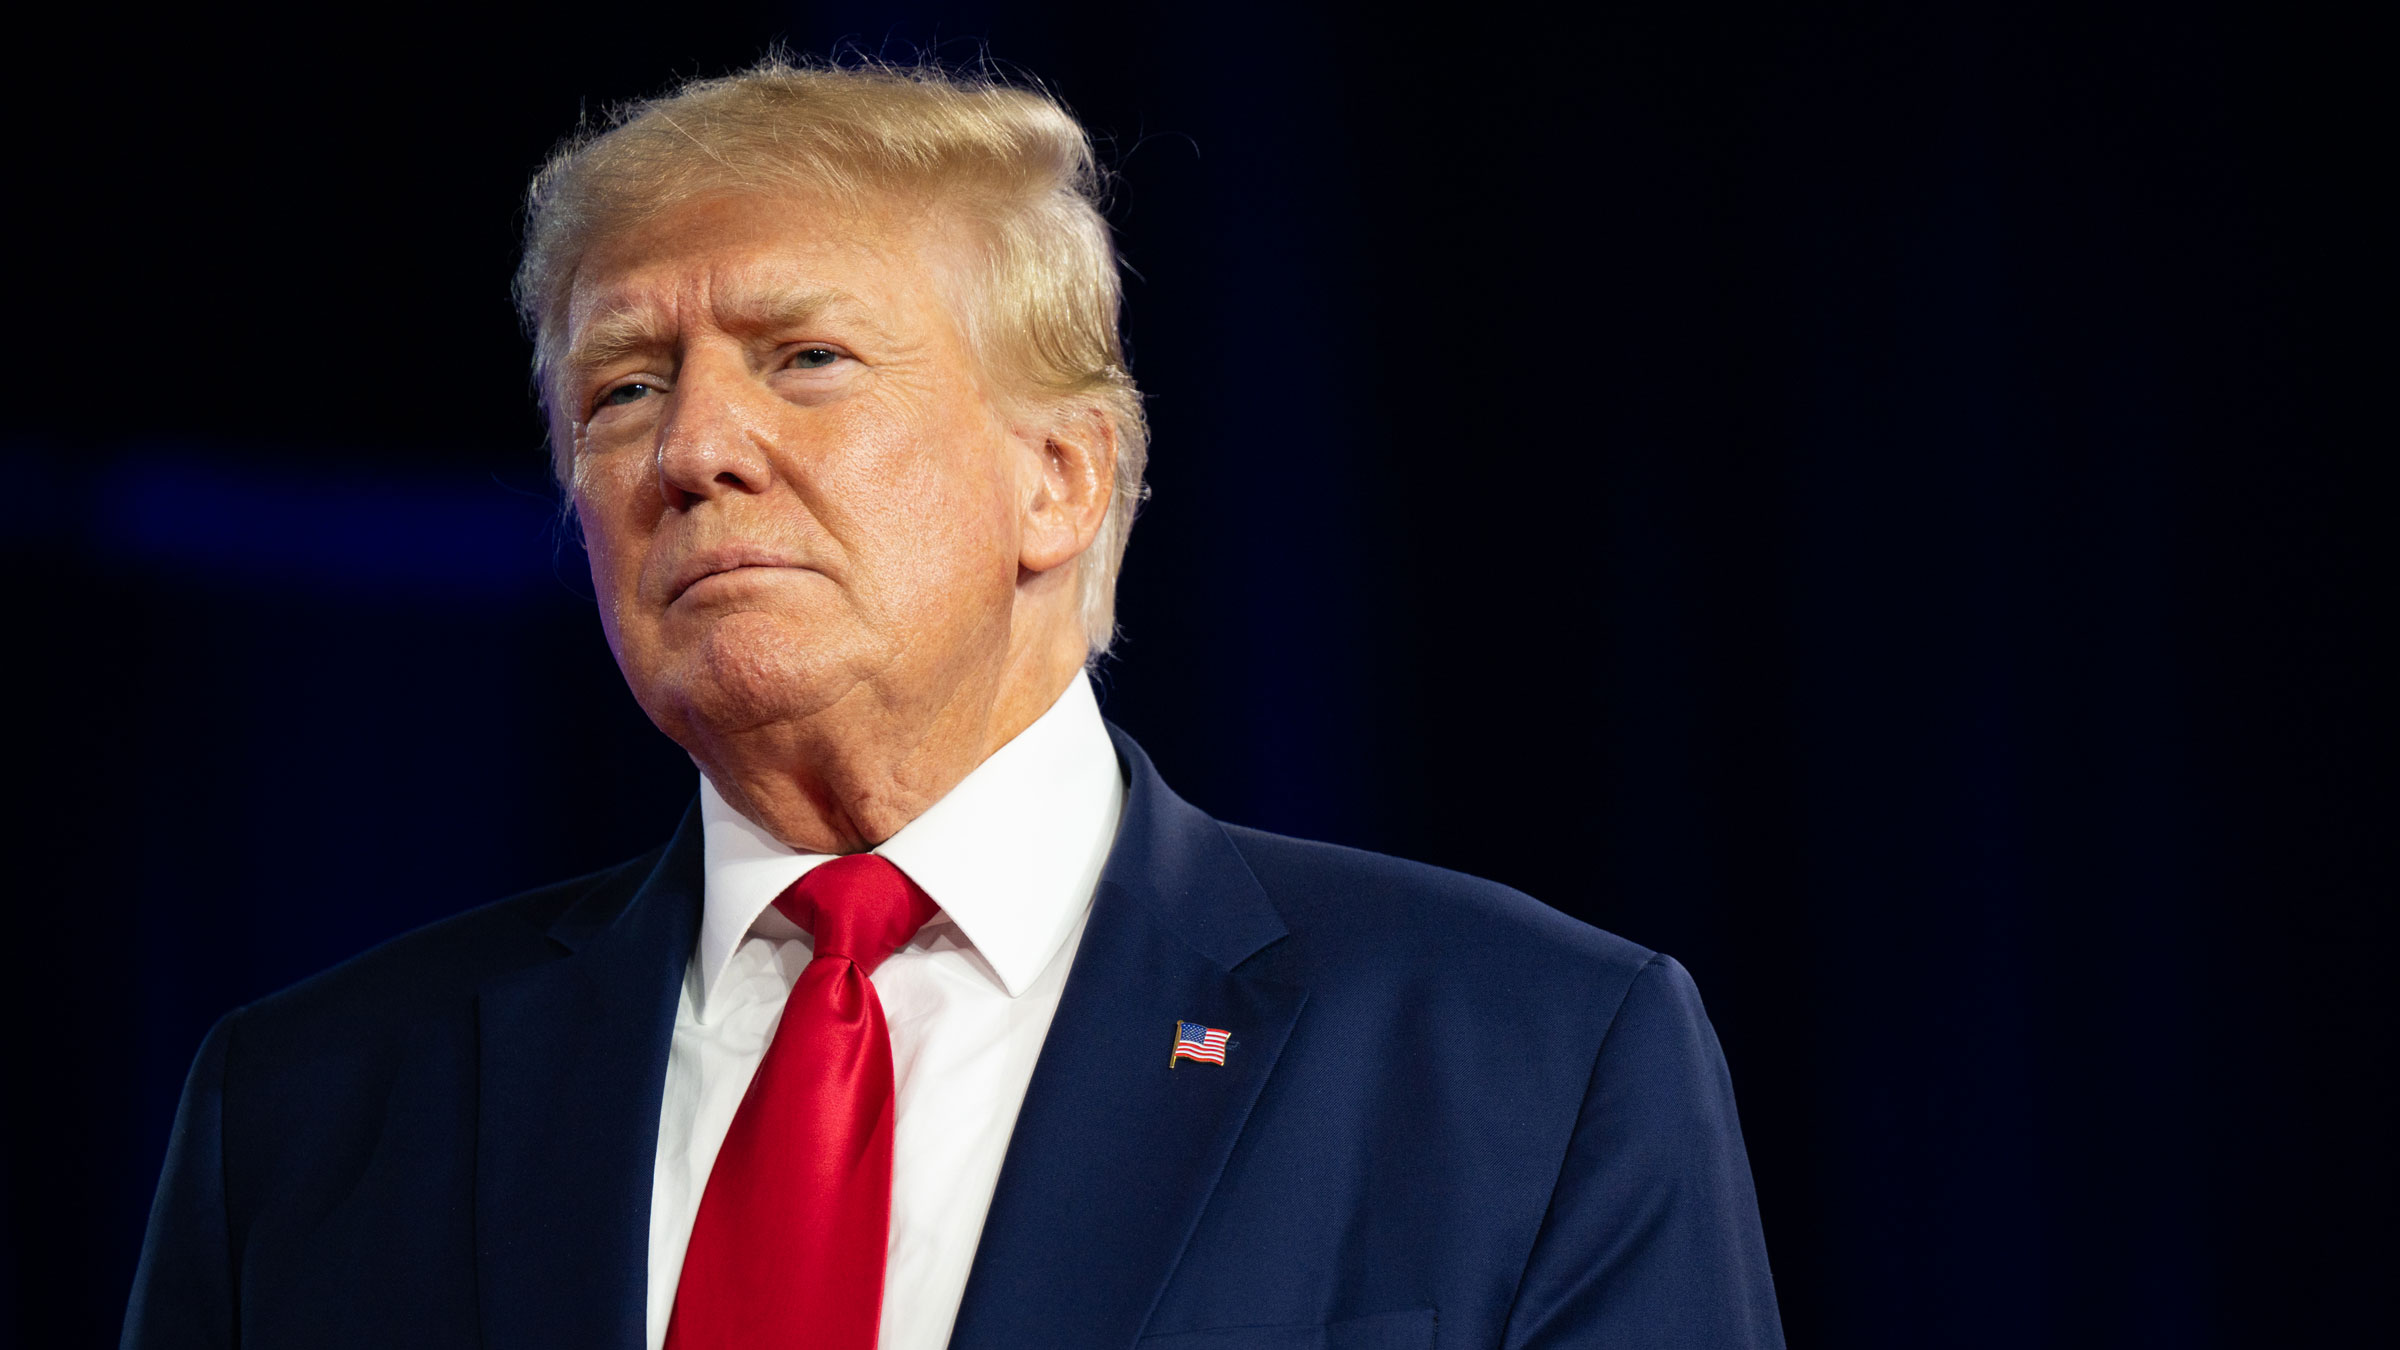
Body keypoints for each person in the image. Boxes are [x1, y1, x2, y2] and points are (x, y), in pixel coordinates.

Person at [123, 59, 1783, 1350]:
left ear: (1058, 479)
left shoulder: (1531, 1058)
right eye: (624, 387)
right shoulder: (308, 1114)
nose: (694, 449)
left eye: (805, 358)